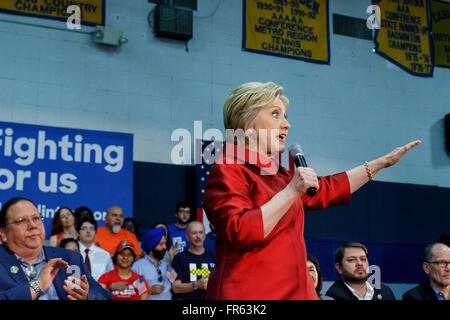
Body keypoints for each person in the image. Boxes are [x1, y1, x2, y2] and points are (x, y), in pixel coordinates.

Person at [202, 81, 420, 299]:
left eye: (286, 116)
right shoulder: (228, 168)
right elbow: (239, 231)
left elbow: (328, 189)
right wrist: (291, 192)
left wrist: (381, 163)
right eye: (276, 114)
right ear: (248, 124)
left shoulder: (279, 175)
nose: (286, 124)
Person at [0, 197, 111, 300]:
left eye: (36, 218)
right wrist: (36, 287)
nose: (33, 225)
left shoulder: (70, 258)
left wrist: (86, 296)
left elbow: (105, 296)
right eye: (21, 220)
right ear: (4, 233)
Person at [325, 241, 396, 300]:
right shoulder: (331, 296)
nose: (360, 263)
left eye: (363, 259)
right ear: (339, 268)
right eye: (351, 260)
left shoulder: (385, 291)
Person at [171, 221, 215, 300]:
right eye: (194, 233)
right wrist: (197, 285)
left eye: (201, 232)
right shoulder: (178, 259)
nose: (198, 236)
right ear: (187, 236)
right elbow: (175, 288)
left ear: (205, 235)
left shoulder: (213, 258)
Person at [131, 227, 173, 300]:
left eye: (165, 244)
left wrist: (172, 257)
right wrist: (150, 290)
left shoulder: (166, 265)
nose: (165, 247)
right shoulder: (138, 267)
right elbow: (133, 291)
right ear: (151, 247)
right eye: (161, 244)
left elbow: (175, 284)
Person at [77, 216, 114, 281]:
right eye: (84, 228)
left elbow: (110, 279)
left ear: (96, 233)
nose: (88, 231)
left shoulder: (104, 254)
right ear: (78, 233)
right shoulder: (72, 252)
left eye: (91, 228)